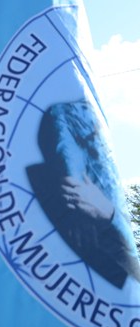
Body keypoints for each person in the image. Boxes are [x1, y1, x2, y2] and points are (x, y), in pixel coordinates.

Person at [26, 98, 140, 288]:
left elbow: (131, 281)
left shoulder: (107, 197)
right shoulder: (34, 195)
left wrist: (107, 214)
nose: (71, 185)